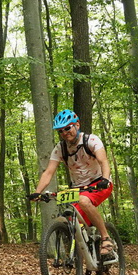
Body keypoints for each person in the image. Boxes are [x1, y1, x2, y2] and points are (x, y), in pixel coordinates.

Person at [29, 109, 114, 256]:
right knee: (72, 221)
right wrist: (38, 192)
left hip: (99, 183)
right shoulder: (60, 148)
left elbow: (103, 161)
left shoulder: (91, 140)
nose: (65, 132)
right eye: (60, 131)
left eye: (68, 128)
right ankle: (86, 254)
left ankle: (106, 238)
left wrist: (105, 179)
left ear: (77, 125)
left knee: (84, 201)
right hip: (77, 188)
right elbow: (49, 172)